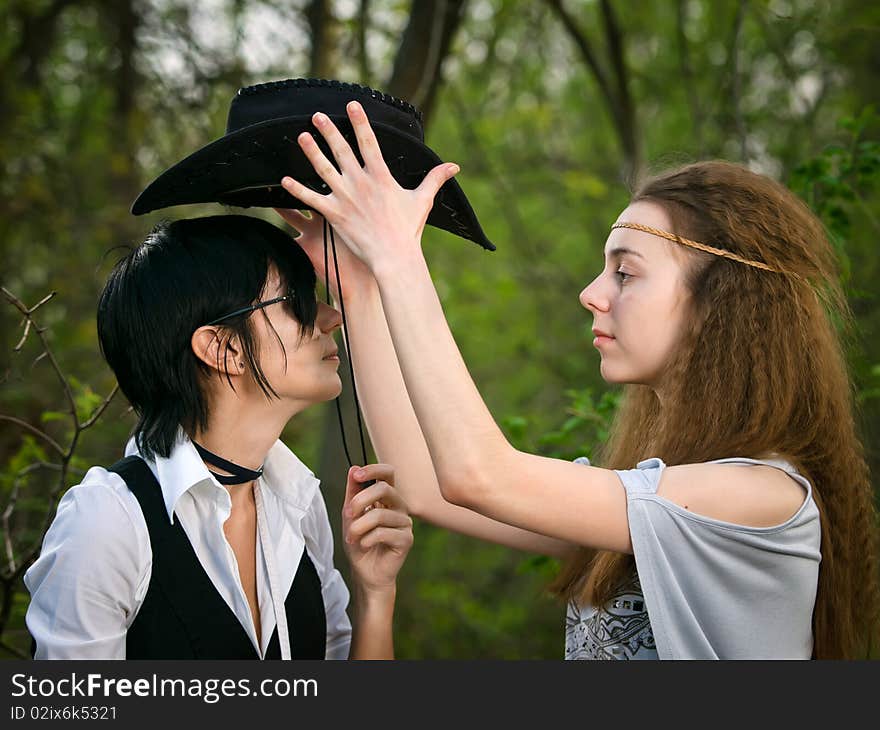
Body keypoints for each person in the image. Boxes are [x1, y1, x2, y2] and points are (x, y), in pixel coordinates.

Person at [274, 101, 880, 659]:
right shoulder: (649, 497)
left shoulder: (763, 499)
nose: (592, 294)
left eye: (625, 273)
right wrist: (359, 287)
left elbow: (478, 476)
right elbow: (430, 484)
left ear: (717, 304)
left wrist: (399, 257)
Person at [24, 214, 414, 659]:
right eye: (298, 301)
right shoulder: (107, 524)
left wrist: (375, 596)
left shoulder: (298, 507)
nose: (331, 317)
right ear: (223, 348)